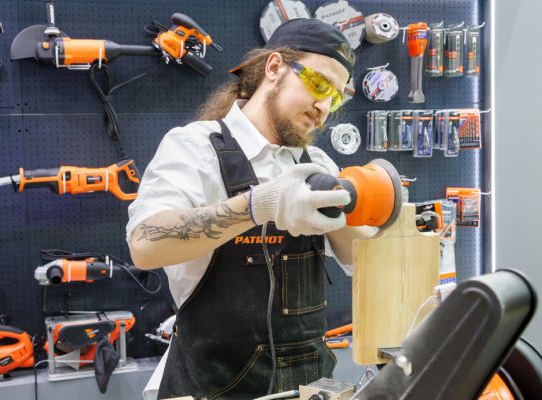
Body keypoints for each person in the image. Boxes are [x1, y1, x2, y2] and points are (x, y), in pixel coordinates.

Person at [127, 18, 377, 400]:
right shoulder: (195, 147)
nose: (324, 107)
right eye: (319, 84)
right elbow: (145, 243)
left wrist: (376, 214)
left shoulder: (319, 164)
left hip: (310, 388)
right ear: (274, 67)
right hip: (212, 388)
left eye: (336, 97)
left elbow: (362, 260)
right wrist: (258, 205)